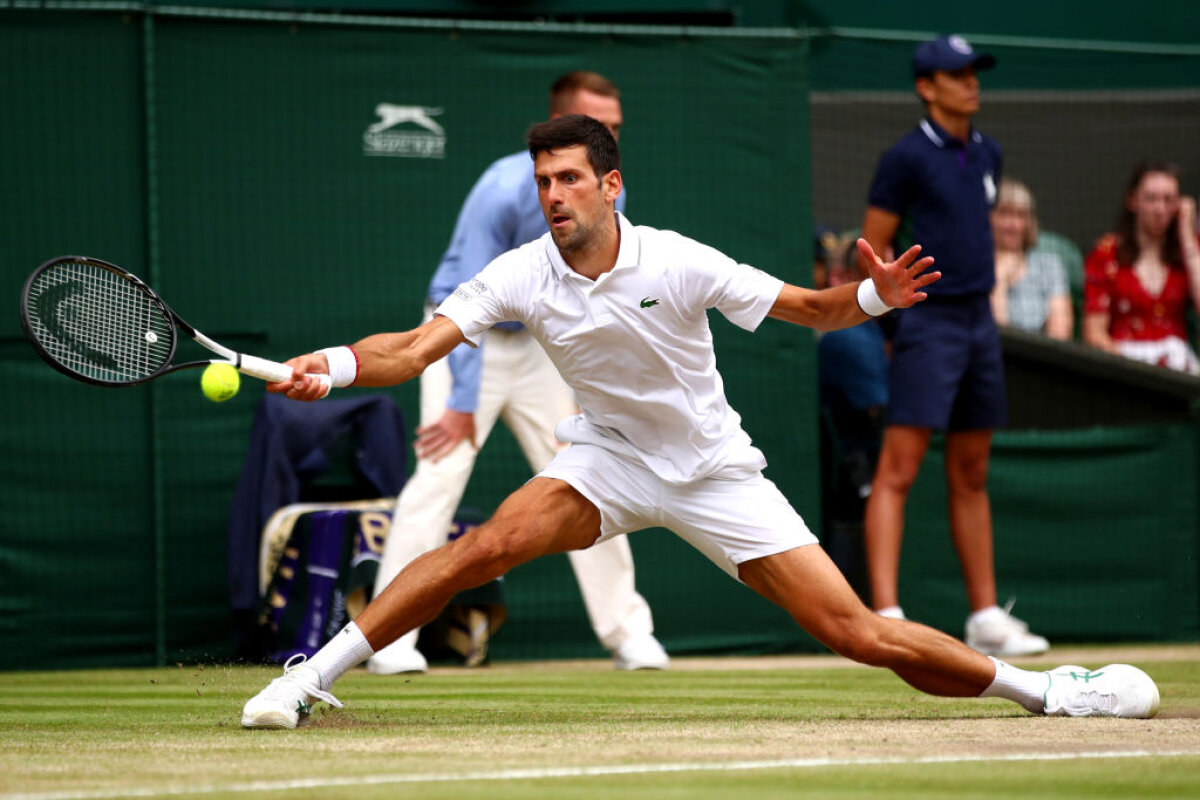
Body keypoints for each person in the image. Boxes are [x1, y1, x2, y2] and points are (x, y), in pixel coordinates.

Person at [240, 114, 1159, 729]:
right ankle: (310, 678)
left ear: (611, 185)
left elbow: (811, 309)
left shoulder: (677, 261)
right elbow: (412, 348)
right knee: (478, 549)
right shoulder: (521, 272)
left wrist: (874, 297)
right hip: (605, 462)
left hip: (715, 471)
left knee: (856, 634)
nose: (553, 195)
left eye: (569, 179)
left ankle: (1049, 691)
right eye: (544, 180)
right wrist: (334, 364)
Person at [367, 71, 668, 675]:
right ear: (561, 123)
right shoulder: (503, 189)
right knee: (438, 477)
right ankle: (389, 641)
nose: (611, 136)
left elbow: (595, 298)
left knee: (593, 477)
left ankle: (629, 634)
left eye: (615, 126)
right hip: (461, 336)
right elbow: (469, 298)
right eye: (598, 124)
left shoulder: (609, 190)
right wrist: (461, 401)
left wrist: (589, 389)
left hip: (538, 346)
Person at [858, 35, 1050, 657]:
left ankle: (986, 618)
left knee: (972, 472)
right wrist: (895, 323)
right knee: (898, 470)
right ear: (927, 86)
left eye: (974, 73)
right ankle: (885, 615)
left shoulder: (989, 152)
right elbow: (872, 253)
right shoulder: (904, 158)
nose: (971, 83)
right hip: (928, 324)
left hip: (979, 324)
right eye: (957, 74)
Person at [1082, 160, 1200, 374]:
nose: (1160, 209)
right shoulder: (1106, 254)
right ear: (1133, 200)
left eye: (1168, 199)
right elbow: (1094, 333)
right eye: (1151, 198)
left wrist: (1188, 237)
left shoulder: (1189, 251)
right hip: (1125, 365)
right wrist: (1133, 371)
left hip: (1179, 368)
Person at [990, 178, 1074, 340]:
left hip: (1041, 353)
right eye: (1004, 214)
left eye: (1020, 215)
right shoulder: (975, 265)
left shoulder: (1049, 266)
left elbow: (1060, 336)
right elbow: (994, 334)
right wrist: (999, 279)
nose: (1013, 225)